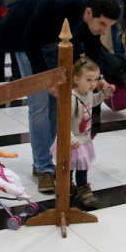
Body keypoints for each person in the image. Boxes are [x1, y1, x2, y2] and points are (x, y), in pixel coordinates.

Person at [0, 0, 120, 193]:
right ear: (89, 13)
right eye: (102, 24)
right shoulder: (56, 2)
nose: (104, 30)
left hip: (55, 42)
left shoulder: (95, 6)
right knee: (39, 105)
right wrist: (47, 79)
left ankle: (48, 160)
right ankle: (43, 167)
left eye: (109, 26)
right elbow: (30, 40)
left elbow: (93, 44)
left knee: (56, 104)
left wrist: (98, 78)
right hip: (27, 41)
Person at [50, 57, 111, 209]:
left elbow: (93, 100)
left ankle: (82, 188)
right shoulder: (70, 98)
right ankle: (67, 184)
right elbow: (63, 122)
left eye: (96, 79)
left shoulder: (88, 92)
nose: (93, 84)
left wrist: (103, 94)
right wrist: (70, 138)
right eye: (89, 79)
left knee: (83, 165)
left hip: (83, 139)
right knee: (70, 165)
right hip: (72, 139)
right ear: (76, 79)